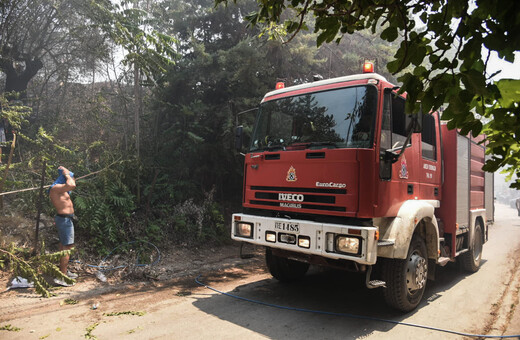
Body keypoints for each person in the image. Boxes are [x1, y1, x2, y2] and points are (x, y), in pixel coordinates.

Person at [49, 166, 77, 286]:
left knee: (63, 246)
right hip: (64, 220)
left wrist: (68, 173)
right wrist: (66, 173)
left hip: (66, 220)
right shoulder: (55, 188)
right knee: (67, 247)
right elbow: (72, 185)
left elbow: (72, 182)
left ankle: (63, 272)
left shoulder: (62, 189)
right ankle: (63, 278)